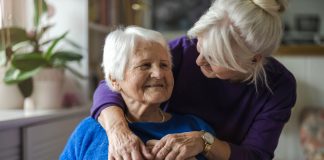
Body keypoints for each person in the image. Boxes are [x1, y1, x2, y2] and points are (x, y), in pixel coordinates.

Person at [91, 0, 297, 159]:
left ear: (254, 59)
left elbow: (256, 156)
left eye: (213, 58)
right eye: (200, 46)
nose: (198, 61)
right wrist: (118, 132)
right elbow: (112, 84)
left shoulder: (279, 86)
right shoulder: (184, 49)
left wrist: (205, 142)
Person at [60, 26, 216, 160]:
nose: (158, 74)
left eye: (164, 65)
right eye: (145, 65)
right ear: (114, 79)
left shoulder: (196, 129)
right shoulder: (89, 130)